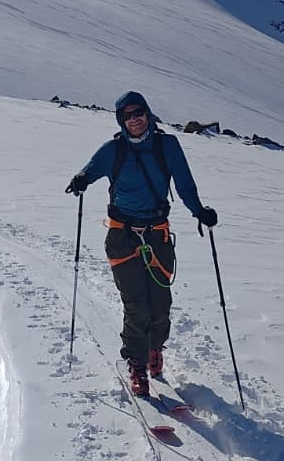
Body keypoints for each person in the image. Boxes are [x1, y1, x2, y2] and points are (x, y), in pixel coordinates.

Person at [65, 91, 218, 397]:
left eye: (139, 113)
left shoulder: (167, 146)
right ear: (120, 120)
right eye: (127, 115)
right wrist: (81, 179)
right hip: (122, 237)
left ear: (148, 113)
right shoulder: (113, 150)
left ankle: (154, 349)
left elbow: (184, 184)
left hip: (157, 235)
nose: (134, 119)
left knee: (160, 304)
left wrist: (199, 211)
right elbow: (90, 170)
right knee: (136, 305)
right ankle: (137, 363)